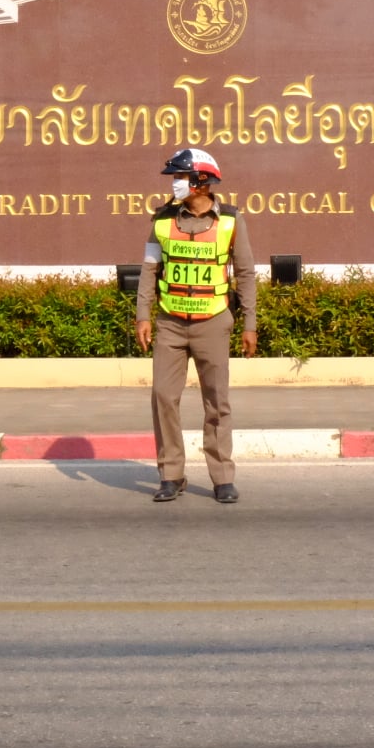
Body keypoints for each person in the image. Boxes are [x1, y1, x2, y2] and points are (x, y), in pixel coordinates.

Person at [134, 148, 258, 503]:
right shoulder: (161, 220)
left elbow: (246, 274)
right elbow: (149, 271)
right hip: (170, 323)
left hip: (214, 322)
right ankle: (171, 474)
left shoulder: (231, 220)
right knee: (163, 397)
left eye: (181, 177)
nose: (175, 183)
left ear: (202, 183)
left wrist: (249, 324)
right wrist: (143, 315)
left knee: (217, 401)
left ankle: (222, 477)